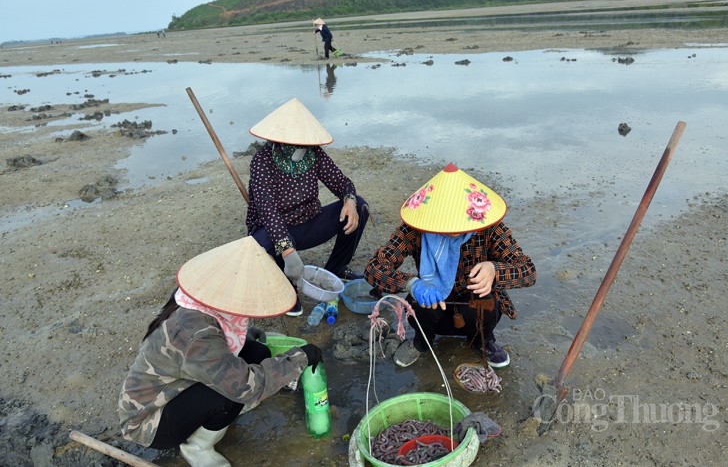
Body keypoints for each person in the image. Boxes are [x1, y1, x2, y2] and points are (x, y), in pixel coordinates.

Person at [118, 236, 324, 466]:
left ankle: (210, 420)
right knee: (230, 395)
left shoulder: (197, 298)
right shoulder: (197, 335)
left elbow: (223, 340)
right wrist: (298, 359)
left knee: (258, 353)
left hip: (179, 386)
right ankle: (197, 447)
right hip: (149, 421)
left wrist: (248, 337)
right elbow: (245, 386)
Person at [364, 163, 536, 368]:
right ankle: (422, 342)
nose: (453, 228)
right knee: (420, 304)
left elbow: (528, 271)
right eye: (446, 220)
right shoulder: (415, 229)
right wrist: (412, 284)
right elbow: (374, 267)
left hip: (476, 310)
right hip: (433, 308)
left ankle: (483, 341)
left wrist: (494, 270)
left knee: (484, 299)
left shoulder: (489, 228)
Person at [245, 97, 369, 316]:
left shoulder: (314, 154)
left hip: (309, 222)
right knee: (259, 244)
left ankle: (336, 268)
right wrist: (288, 250)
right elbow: (267, 211)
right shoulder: (262, 161)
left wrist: (349, 199)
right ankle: (286, 288)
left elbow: (341, 181)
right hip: (274, 230)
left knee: (360, 206)